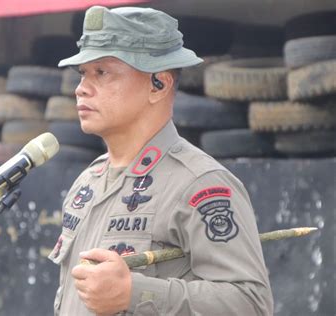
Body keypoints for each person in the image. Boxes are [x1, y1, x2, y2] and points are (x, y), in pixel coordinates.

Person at [48, 5, 273, 315]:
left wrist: (134, 293)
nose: (81, 89)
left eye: (102, 72)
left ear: (159, 84)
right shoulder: (88, 182)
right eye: (83, 74)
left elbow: (251, 303)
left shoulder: (199, 184)